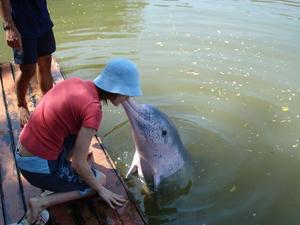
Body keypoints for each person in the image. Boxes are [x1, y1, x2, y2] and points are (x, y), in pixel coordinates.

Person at [14, 58, 143, 224]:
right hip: (37, 166)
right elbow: (78, 164)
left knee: (76, 135)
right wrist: (101, 190)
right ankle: (41, 202)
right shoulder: (93, 110)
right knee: (99, 179)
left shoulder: (76, 84)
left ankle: (58, 175)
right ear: (116, 89)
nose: (128, 98)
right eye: (127, 93)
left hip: (24, 151)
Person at [0, 0, 55, 126]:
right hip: (22, 26)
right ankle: (21, 104)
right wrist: (9, 28)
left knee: (46, 62)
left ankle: (47, 102)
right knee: (28, 69)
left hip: (43, 20)